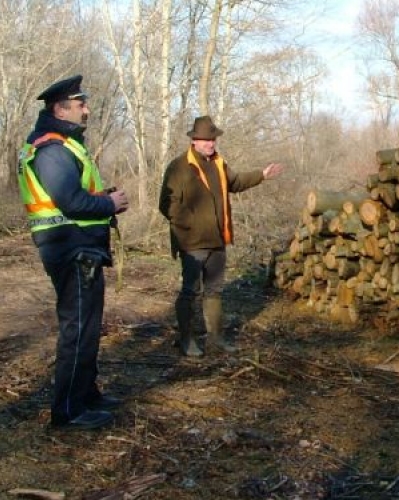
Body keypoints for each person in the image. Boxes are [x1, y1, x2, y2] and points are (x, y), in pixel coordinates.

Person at [17, 75, 130, 430]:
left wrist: (101, 200)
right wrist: (107, 202)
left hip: (78, 245)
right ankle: (68, 410)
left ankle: (86, 394)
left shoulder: (64, 144)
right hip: (69, 246)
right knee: (78, 328)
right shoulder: (51, 148)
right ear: (60, 108)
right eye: (81, 103)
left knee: (88, 326)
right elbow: (69, 200)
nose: (87, 109)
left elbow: (75, 194)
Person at [159, 116, 283, 357]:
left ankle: (216, 339)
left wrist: (262, 175)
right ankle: (187, 339)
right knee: (190, 291)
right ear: (194, 141)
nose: (210, 144)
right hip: (192, 242)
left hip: (218, 240)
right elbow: (167, 204)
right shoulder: (178, 167)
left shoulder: (219, 163)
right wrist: (190, 226)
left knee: (214, 291)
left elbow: (235, 182)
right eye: (206, 140)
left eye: (213, 139)